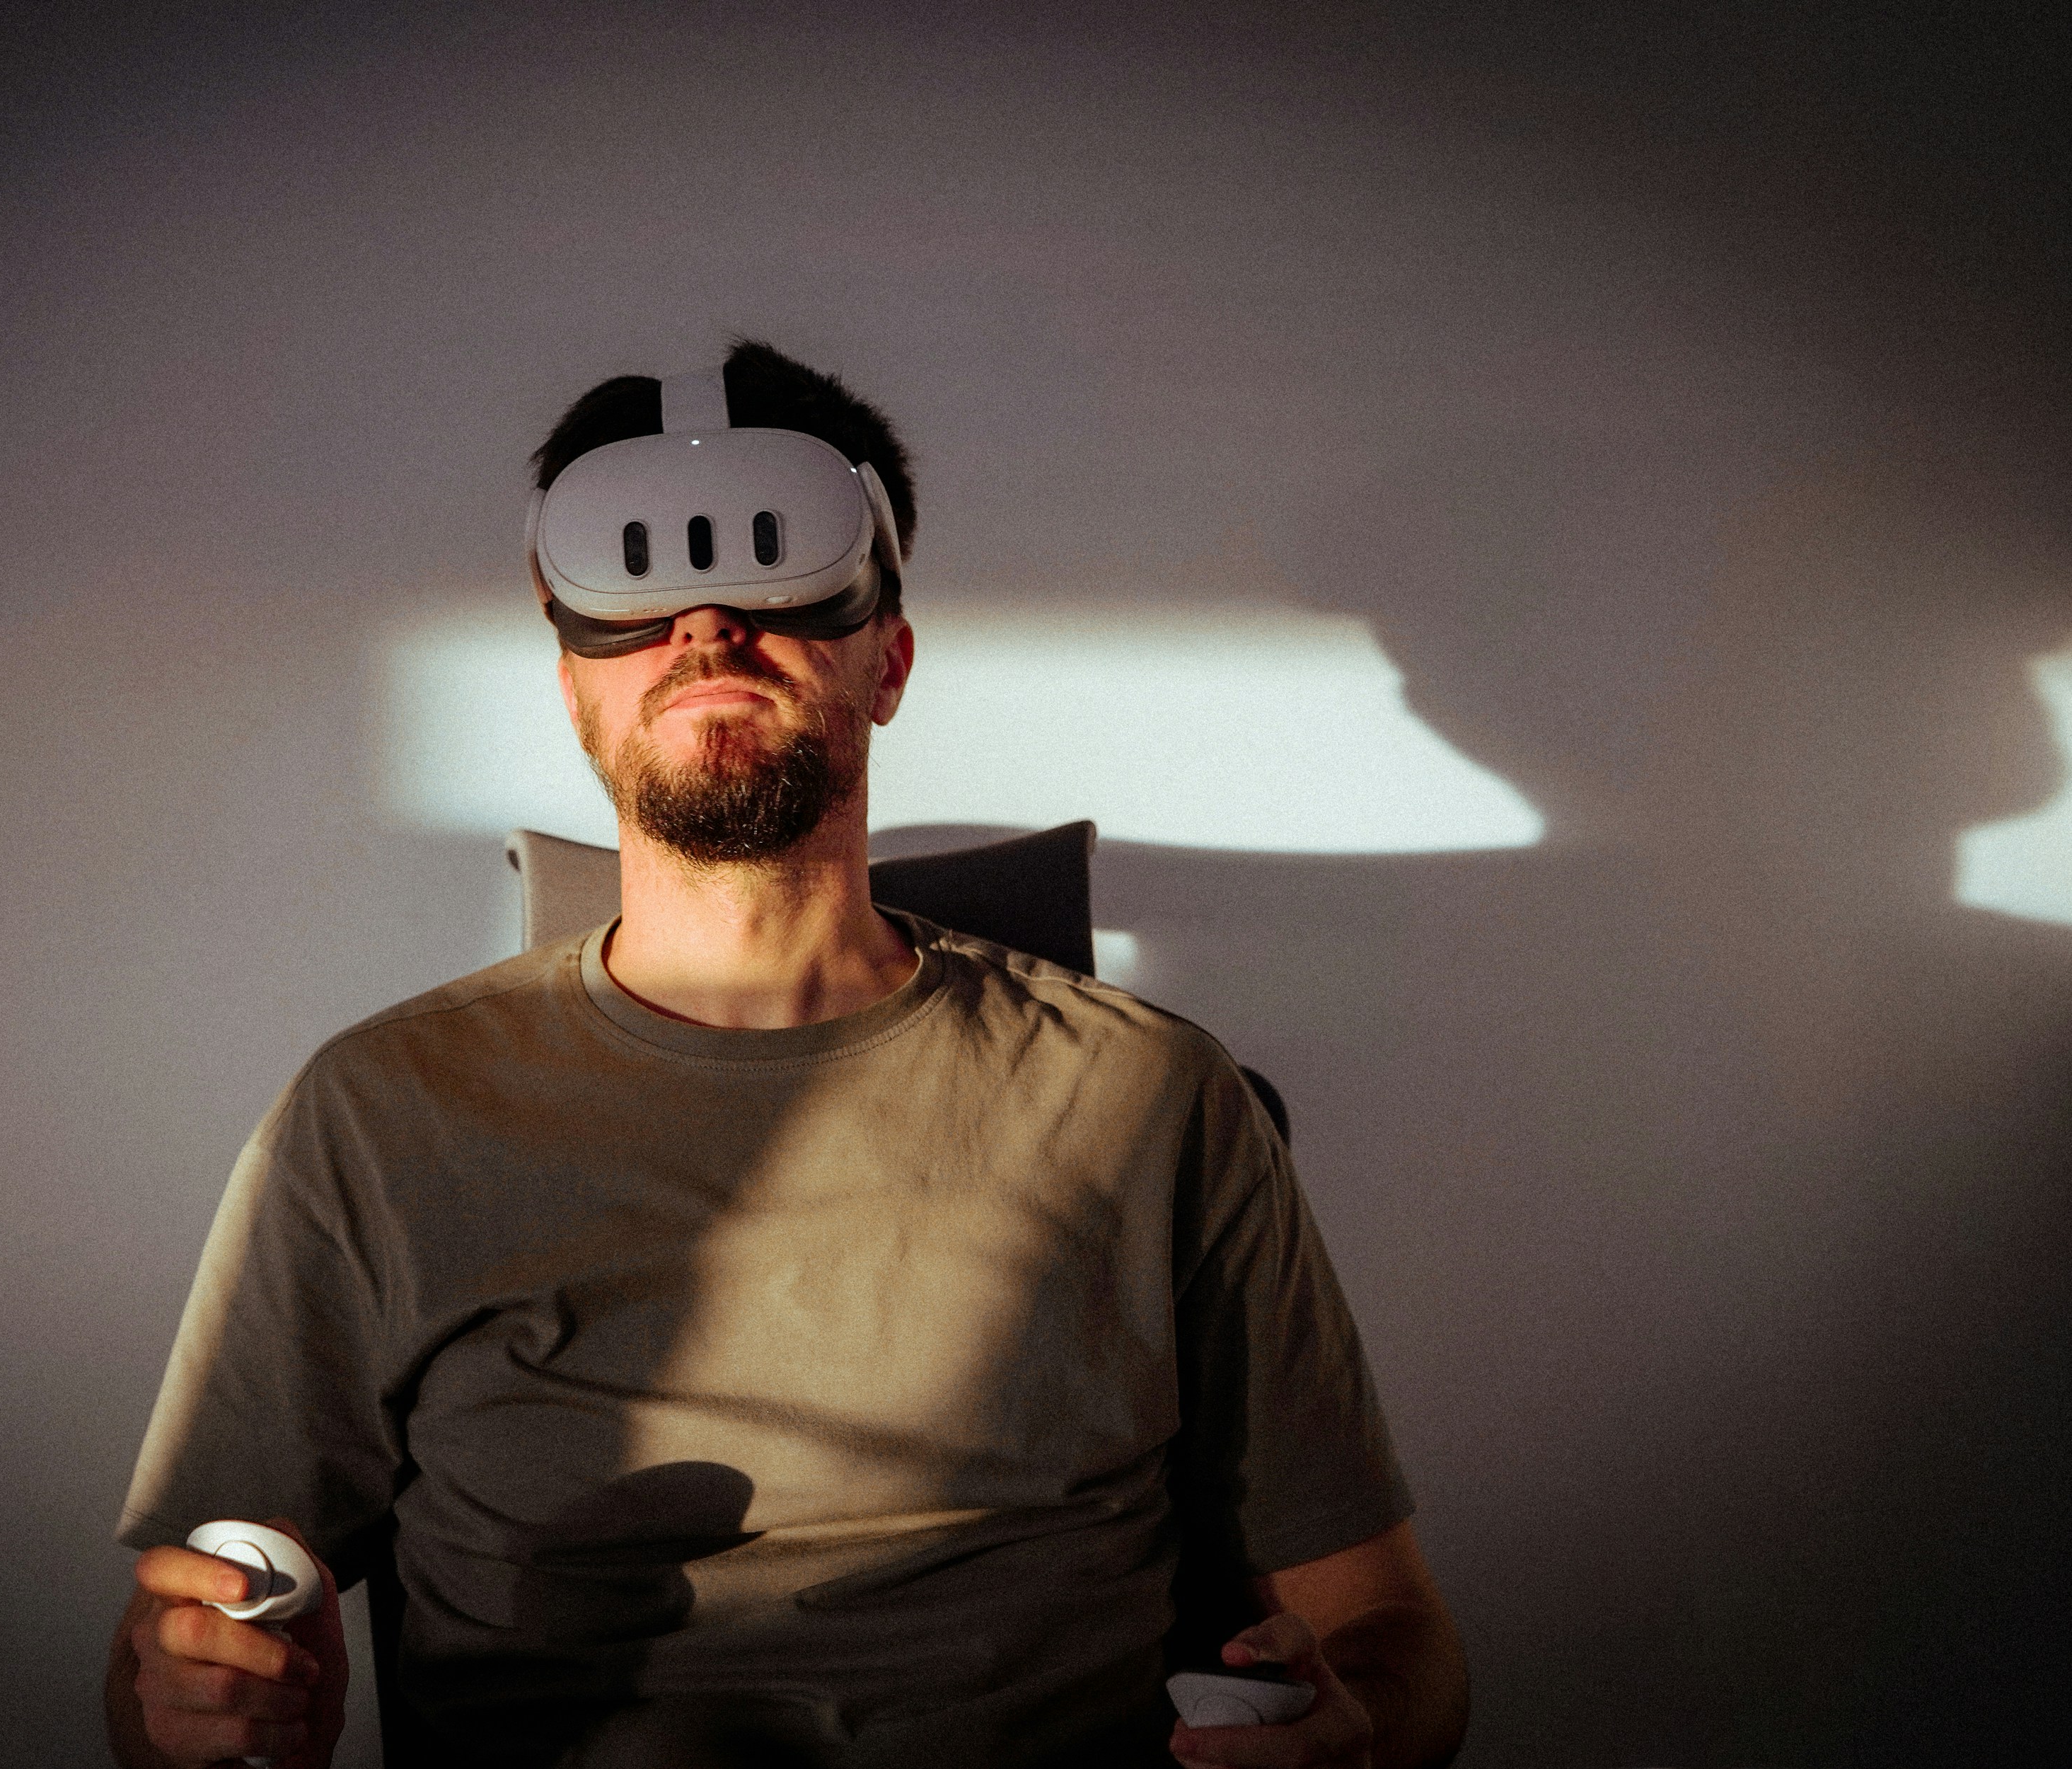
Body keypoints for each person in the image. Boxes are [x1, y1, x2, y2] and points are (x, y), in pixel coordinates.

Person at [105, 341, 1469, 1768]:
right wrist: (197, 1702)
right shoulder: (375, 1117)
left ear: (890, 662)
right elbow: (162, 1674)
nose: (705, 625)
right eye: (636, 597)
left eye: (779, 579)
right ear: (571, 688)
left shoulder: (1152, 1097)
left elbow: (1394, 1636)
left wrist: (1354, 1728)